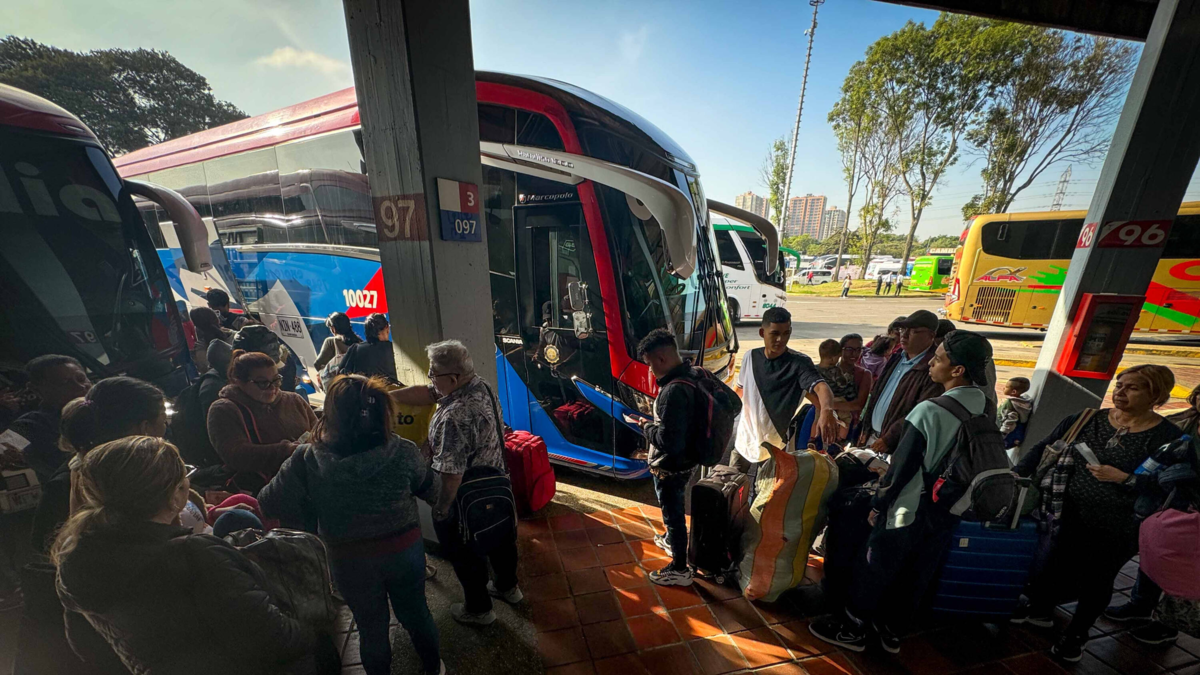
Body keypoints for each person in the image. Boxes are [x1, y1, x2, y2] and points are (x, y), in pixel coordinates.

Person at [53, 436, 317, 674]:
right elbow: (272, 640)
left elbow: (88, 651)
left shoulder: (75, 561)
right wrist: (316, 632)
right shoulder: (196, 555)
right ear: (175, 495)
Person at [811, 330, 996, 654]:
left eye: (938, 359)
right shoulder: (985, 406)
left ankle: (852, 630)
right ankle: (892, 633)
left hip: (907, 508)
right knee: (918, 571)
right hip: (948, 509)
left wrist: (879, 504)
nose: (930, 365)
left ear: (958, 370)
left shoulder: (930, 411)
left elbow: (901, 470)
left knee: (875, 566)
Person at [260, 375, 443, 675]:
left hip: (348, 559)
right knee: (416, 613)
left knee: (371, 627)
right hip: (403, 551)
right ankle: (433, 668)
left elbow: (269, 502)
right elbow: (433, 492)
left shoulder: (306, 458)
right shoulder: (404, 451)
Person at [1012, 364, 1183, 662]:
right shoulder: (1088, 418)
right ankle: (1041, 611)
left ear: (1155, 394)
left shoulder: (1167, 437)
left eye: (1133, 387)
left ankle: (1076, 634)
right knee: (1056, 563)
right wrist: (1014, 476)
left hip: (1121, 524)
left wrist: (1126, 479)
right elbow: (1043, 447)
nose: (1120, 392)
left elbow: (1171, 485)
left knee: (1098, 579)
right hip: (1066, 511)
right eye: (1120, 384)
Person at [391, 340, 520, 625]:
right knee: (501, 539)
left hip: (464, 499)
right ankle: (507, 588)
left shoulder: (454, 416)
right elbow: (428, 394)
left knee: (464, 553)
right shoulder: (480, 385)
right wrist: (389, 396)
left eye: (433, 374)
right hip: (497, 485)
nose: (429, 379)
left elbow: (451, 475)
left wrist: (442, 509)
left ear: (452, 378)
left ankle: (479, 610)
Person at [733, 309, 838, 469]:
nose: (781, 339)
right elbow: (739, 390)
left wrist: (826, 411)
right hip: (745, 438)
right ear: (762, 332)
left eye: (786, 333)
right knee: (730, 484)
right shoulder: (750, 357)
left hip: (775, 442)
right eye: (775, 333)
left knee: (770, 491)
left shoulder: (799, 363)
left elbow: (820, 386)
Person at [206, 351, 317, 484]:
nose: (272, 388)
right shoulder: (223, 410)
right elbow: (236, 456)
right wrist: (287, 450)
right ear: (238, 381)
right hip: (261, 488)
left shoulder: (294, 400)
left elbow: (319, 430)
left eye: (276, 380)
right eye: (262, 383)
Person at [858, 310, 944, 454]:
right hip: (873, 438)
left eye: (914, 331)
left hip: (896, 447)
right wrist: (865, 427)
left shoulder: (933, 368)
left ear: (931, 335)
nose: (904, 335)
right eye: (902, 329)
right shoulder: (897, 357)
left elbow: (921, 412)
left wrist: (890, 438)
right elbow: (877, 393)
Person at [5, 355, 90, 484]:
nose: (80, 386)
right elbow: (4, 448)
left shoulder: (105, 412)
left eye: (81, 378)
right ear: (36, 389)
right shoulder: (32, 424)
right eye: (64, 382)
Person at [340, 313, 399, 383]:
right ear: (387, 328)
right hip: (393, 392)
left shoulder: (355, 349)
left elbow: (341, 373)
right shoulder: (395, 350)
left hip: (364, 391)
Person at [313, 312, 363, 379]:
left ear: (333, 329)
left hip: (338, 384)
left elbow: (318, 364)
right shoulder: (359, 341)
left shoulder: (330, 342)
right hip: (356, 383)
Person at [189, 307, 233, 374]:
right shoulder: (233, 334)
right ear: (217, 320)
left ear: (197, 327)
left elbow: (205, 370)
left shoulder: (200, 348)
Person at [997, 377, 1033, 449]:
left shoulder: (1010, 404)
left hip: (1007, 432)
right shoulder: (1023, 402)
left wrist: (1002, 433)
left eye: (1006, 387)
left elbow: (1010, 420)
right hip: (1017, 432)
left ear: (1013, 392)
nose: (1004, 388)